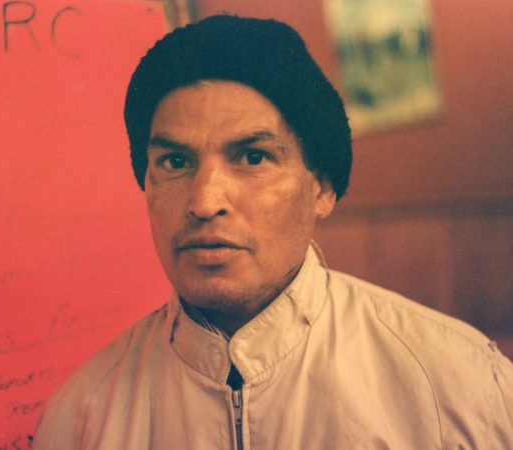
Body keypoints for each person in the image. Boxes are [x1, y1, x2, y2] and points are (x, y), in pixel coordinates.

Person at [33, 15, 513, 449]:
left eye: (253, 157)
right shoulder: (81, 419)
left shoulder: (456, 386)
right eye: (175, 162)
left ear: (321, 187)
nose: (204, 202)